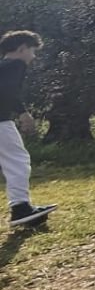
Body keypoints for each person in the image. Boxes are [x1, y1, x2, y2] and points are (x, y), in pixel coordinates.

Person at [1, 30, 53, 228]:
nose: (33, 56)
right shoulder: (16, 64)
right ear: (22, 48)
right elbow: (7, 91)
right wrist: (23, 113)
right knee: (17, 162)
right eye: (32, 50)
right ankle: (20, 208)